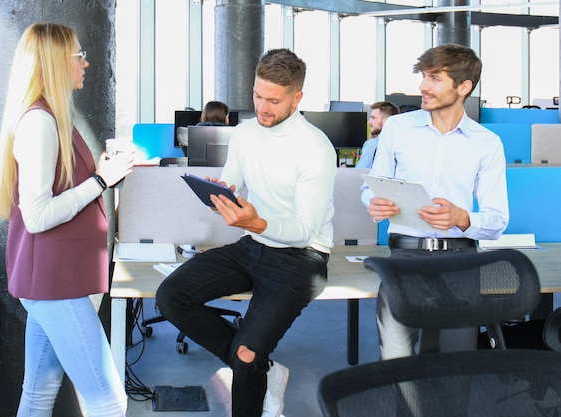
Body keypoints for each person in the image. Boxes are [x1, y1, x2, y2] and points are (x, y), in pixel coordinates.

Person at [156, 48, 337, 417]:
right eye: (257, 95)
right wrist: (218, 196)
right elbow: (232, 187)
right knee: (171, 296)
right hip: (254, 244)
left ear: (297, 98)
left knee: (246, 354)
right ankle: (262, 370)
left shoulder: (315, 148)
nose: (263, 107)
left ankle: (251, 363)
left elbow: (303, 231)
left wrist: (256, 223)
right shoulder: (244, 133)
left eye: (274, 100)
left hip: (302, 258)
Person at [0, 22, 134, 416]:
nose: (86, 63)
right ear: (57, 62)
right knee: (109, 401)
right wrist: (102, 180)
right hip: (56, 282)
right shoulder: (40, 122)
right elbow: (37, 216)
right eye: (79, 55)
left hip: (56, 279)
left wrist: (100, 172)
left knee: (39, 391)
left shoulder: (52, 115)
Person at [361, 43, 509, 360]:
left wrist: (462, 218)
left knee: (455, 363)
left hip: (460, 262)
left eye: (435, 78)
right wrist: (374, 202)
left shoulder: (487, 143)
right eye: (424, 77)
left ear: (463, 86)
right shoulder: (397, 129)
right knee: (395, 362)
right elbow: (372, 188)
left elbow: (497, 220)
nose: (423, 87)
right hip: (405, 257)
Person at [355, 101, 399, 169]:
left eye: (373, 118)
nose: (369, 122)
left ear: (386, 121)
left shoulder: (373, 144)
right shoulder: (400, 141)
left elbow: (359, 172)